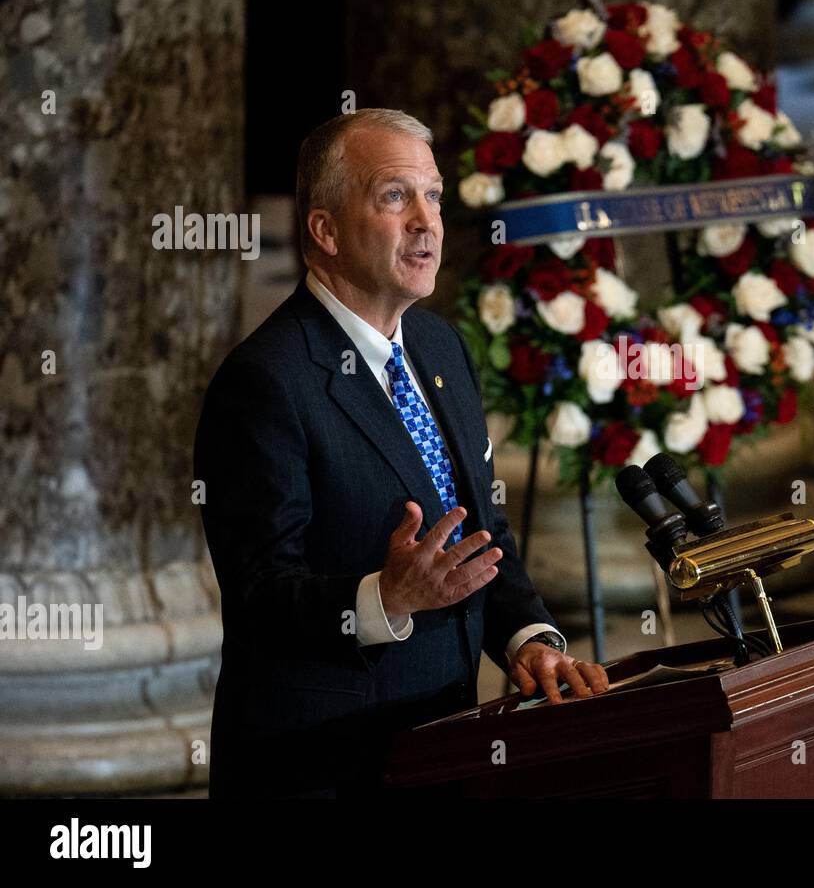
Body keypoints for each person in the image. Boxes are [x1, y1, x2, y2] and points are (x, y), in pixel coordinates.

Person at [195, 109, 608, 797]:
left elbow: (478, 534)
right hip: (319, 765)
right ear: (324, 230)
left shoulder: (440, 347)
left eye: (434, 196)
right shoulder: (267, 381)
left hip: (440, 741)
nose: (428, 221)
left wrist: (527, 639)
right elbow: (260, 596)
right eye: (395, 196)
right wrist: (383, 598)